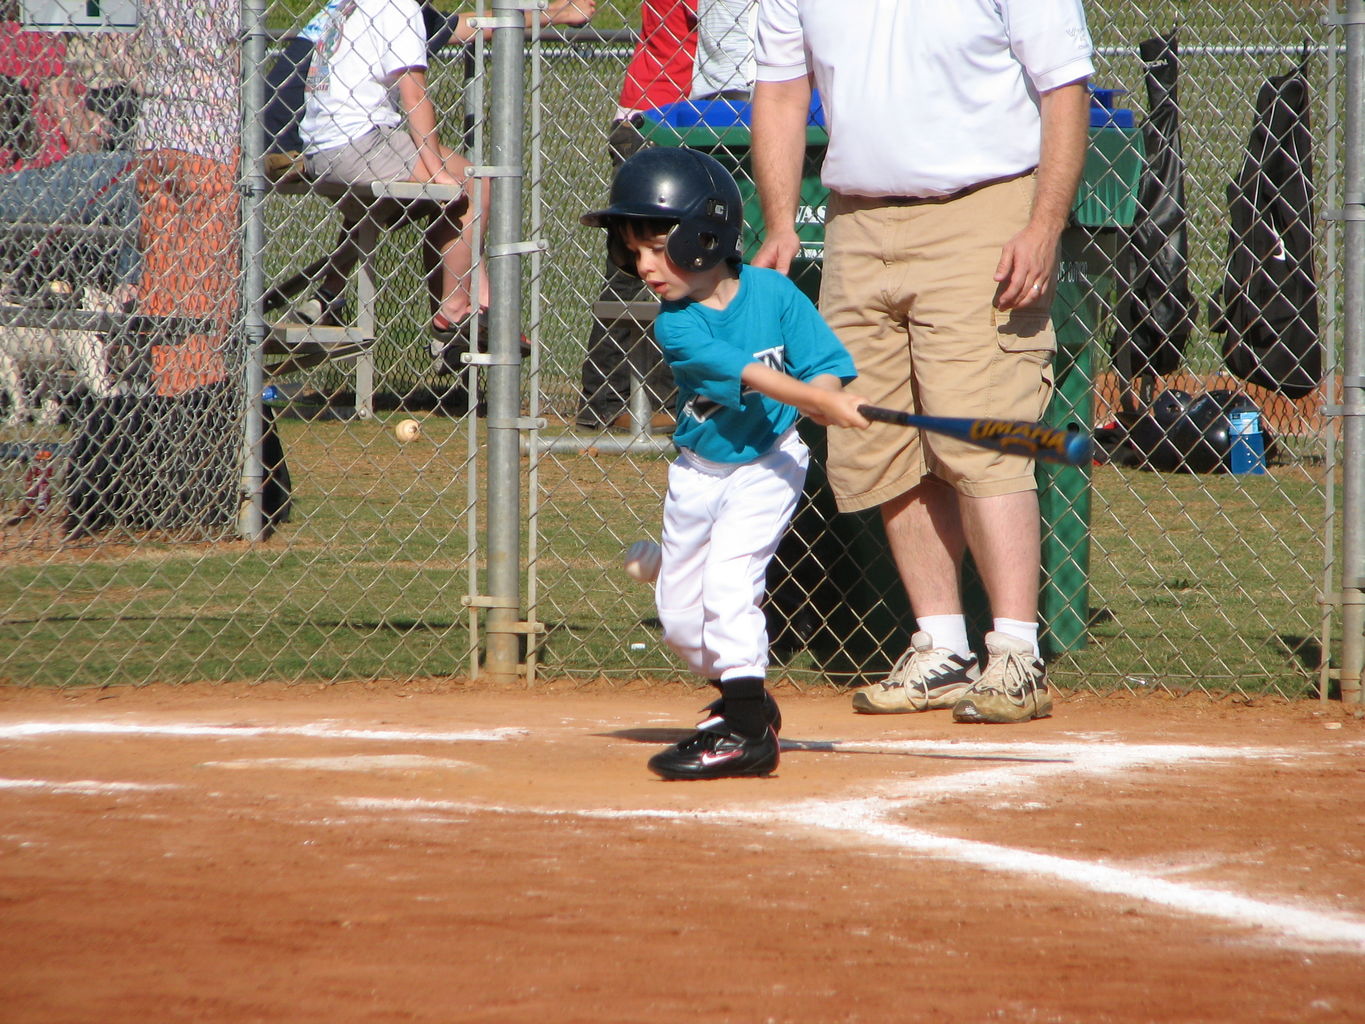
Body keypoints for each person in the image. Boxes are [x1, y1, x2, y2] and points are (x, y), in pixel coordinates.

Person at [751, 0, 1094, 724]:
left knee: (979, 435)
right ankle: (940, 647)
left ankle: (1016, 655)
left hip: (982, 209)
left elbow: (1064, 87)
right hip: (855, 220)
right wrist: (781, 221)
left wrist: (1042, 225)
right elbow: (782, 90)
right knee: (882, 439)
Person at [581, 147, 870, 779]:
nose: (645, 267)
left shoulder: (774, 292)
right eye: (635, 253)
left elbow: (820, 362)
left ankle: (743, 729)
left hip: (768, 464)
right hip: (697, 474)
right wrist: (815, 396)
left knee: (730, 583)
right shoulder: (676, 326)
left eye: (658, 247)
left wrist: (829, 396)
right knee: (685, 623)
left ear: (706, 237)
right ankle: (750, 698)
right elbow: (755, 377)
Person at [298, 0, 491, 358]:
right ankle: (456, 313)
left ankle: (329, 291)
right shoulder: (399, 4)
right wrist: (435, 174)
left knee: (396, 200)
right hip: (358, 141)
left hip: (318, 147)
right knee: (474, 183)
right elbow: (414, 94)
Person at [575, 0, 696, 430]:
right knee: (636, 266)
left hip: (689, 119)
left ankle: (659, 400)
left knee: (683, 264)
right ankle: (606, 403)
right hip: (658, 120)